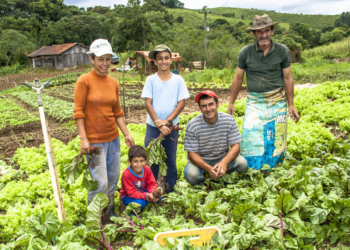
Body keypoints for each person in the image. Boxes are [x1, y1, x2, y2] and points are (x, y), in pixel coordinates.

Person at [227, 14, 300, 170]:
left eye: (266, 30)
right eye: (259, 32)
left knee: (276, 137)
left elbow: (288, 79)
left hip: (277, 100)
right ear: (254, 34)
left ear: (272, 31)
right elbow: (238, 78)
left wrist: (291, 104)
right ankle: (253, 170)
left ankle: (274, 170)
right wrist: (231, 102)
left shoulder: (282, 51)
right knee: (250, 135)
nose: (264, 35)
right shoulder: (245, 52)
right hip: (255, 100)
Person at [73, 39, 134, 218]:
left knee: (113, 178)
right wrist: (84, 139)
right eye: (100, 59)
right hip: (95, 142)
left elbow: (117, 112)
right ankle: (95, 218)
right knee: (99, 182)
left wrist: (126, 134)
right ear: (92, 59)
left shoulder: (113, 82)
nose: (104, 64)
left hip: (113, 140)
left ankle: (109, 213)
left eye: (108, 59)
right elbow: (78, 112)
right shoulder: (84, 81)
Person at [141, 44, 190, 193]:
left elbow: (181, 103)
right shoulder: (150, 80)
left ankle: (170, 189)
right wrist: (157, 122)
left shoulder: (178, 80)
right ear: (155, 61)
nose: (163, 61)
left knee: (170, 160)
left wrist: (167, 121)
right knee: (151, 160)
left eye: (166, 58)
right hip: (152, 126)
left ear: (171, 60)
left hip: (171, 127)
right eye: (160, 58)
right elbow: (148, 103)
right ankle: (151, 190)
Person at [183, 91, 247, 185]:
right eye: (204, 106)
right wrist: (208, 168)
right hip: (202, 160)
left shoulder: (228, 120)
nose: (208, 109)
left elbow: (236, 146)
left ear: (217, 104)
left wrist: (224, 162)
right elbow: (192, 153)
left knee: (242, 163)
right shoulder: (193, 125)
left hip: (222, 156)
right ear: (200, 108)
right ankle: (205, 177)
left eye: (211, 104)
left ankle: (223, 171)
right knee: (191, 174)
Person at [120, 145, 161, 211]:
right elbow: (131, 193)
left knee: (159, 198)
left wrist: (153, 193)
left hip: (142, 192)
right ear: (129, 162)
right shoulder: (126, 174)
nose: (139, 164)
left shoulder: (147, 169)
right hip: (128, 196)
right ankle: (131, 214)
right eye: (135, 161)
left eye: (142, 161)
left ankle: (145, 206)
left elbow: (151, 184)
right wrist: (147, 196)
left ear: (146, 160)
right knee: (140, 203)